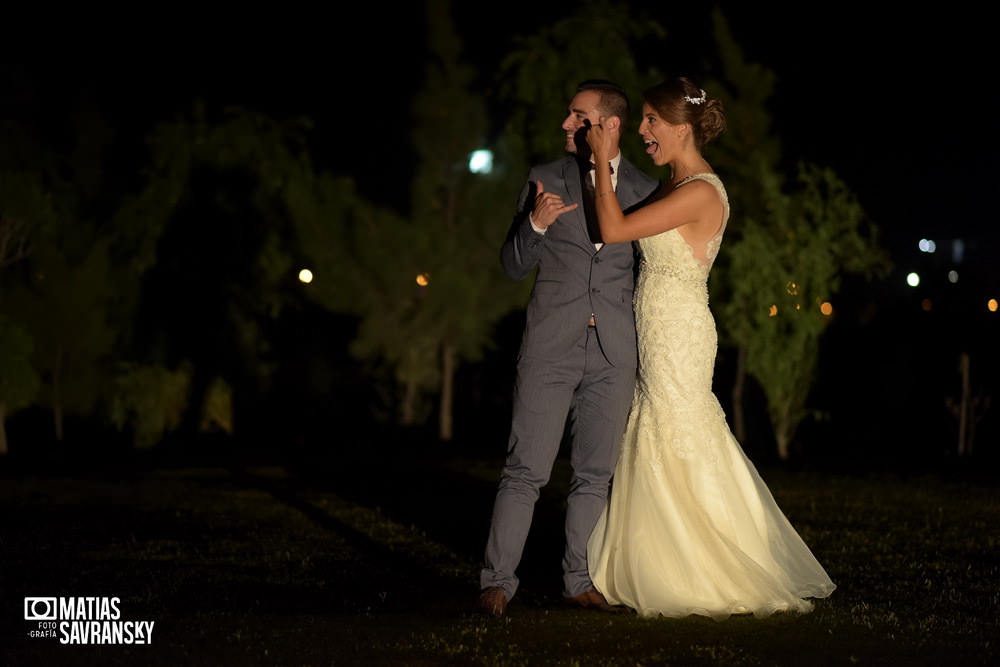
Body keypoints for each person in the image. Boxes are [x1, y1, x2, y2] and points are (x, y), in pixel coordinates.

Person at [583, 76, 836, 619]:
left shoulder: (700, 190)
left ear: (681, 128)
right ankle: (649, 557)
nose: (643, 129)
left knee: (679, 430)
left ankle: (703, 565)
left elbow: (612, 225)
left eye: (651, 120)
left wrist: (605, 160)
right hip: (657, 326)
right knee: (656, 426)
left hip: (678, 330)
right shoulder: (674, 184)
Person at [478, 80, 659, 617]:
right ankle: (497, 582)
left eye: (578, 117)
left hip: (614, 353)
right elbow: (513, 265)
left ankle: (578, 580)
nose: (566, 125)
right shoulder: (543, 178)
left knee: (594, 474)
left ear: (609, 125)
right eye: (567, 115)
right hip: (549, 349)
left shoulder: (648, 189)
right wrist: (534, 224)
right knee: (524, 471)